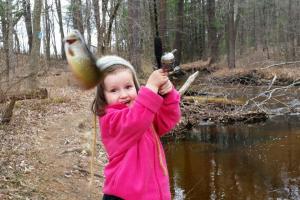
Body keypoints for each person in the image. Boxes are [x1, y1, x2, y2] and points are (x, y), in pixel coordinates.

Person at [92, 55, 181, 200]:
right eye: (114, 90)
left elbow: (168, 119)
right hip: (123, 196)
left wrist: (168, 93)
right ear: (103, 96)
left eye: (128, 87)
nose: (123, 95)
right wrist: (151, 87)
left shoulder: (143, 112)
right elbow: (135, 121)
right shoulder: (110, 120)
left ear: (136, 86)